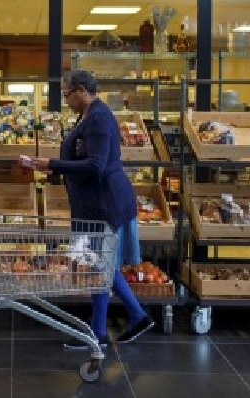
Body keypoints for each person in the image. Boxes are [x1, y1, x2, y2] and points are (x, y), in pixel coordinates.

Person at [19, 69, 154, 350]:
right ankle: (133, 317)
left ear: (81, 90)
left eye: (66, 95)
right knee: (100, 264)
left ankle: (101, 332)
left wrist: (51, 164)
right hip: (92, 204)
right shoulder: (89, 116)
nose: (65, 100)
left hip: (103, 204)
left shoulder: (99, 119)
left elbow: (96, 165)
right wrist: (50, 167)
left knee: (97, 265)